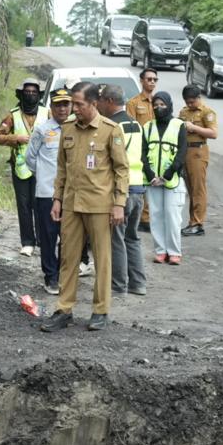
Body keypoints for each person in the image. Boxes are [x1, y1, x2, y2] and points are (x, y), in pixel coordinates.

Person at [40, 81, 129, 333]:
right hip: (71, 204)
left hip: (100, 205)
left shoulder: (110, 130)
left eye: (78, 104)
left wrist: (119, 204)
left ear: (93, 103)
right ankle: (64, 309)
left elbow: (122, 170)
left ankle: (100, 311)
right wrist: (57, 199)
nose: (73, 109)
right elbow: (61, 168)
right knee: (68, 259)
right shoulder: (67, 128)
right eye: (73, 104)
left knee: (102, 259)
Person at [96, 83, 147, 295]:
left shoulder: (111, 127)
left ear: (109, 101)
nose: (97, 105)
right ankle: (138, 284)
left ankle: (118, 286)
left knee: (115, 238)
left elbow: (112, 162)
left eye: (100, 101)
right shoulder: (136, 125)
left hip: (121, 191)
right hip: (138, 188)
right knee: (132, 237)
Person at [25, 86, 73, 295]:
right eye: (58, 105)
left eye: (66, 105)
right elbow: (30, 158)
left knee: (69, 236)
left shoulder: (76, 128)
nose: (62, 109)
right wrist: (45, 175)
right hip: (46, 193)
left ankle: (64, 274)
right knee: (48, 236)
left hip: (72, 194)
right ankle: (50, 276)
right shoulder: (43, 130)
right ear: (51, 108)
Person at [0, 77, 47, 257]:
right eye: (27, 92)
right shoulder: (12, 115)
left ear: (39, 95)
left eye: (34, 92)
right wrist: (15, 138)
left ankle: (42, 240)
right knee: (24, 206)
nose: (30, 95)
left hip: (43, 168)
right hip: (21, 168)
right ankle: (27, 242)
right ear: (22, 94)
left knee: (40, 204)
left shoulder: (47, 113)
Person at [143, 91, 188, 265]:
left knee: (173, 215)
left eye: (162, 105)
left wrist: (167, 175)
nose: (159, 108)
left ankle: (174, 252)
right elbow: (143, 152)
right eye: (156, 105)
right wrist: (150, 174)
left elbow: (182, 152)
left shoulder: (179, 125)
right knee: (156, 215)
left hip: (172, 179)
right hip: (153, 180)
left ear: (169, 105)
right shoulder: (148, 127)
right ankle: (160, 251)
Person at [178, 85, 218, 236]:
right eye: (187, 102)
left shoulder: (207, 113)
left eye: (192, 102)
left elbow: (213, 133)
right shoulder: (183, 111)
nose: (190, 105)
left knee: (198, 189)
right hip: (185, 151)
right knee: (190, 189)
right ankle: (191, 221)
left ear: (198, 98)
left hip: (198, 151)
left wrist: (194, 128)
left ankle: (197, 223)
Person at [127, 68, 158, 230]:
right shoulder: (133, 103)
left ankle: (152, 216)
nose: (152, 82)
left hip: (158, 148)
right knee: (143, 180)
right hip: (141, 146)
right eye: (149, 79)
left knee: (155, 180)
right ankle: (143, 218)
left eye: (154, 79)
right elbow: (132, 127)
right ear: (142, 81)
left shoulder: (159, 101)